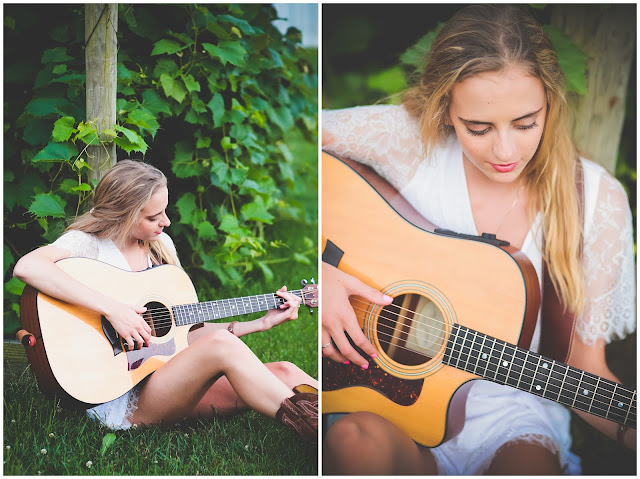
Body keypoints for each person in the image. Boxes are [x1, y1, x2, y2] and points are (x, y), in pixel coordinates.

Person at [321, 4, 635, 475]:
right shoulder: (408, 142)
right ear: (445, 107)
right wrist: (318, 275)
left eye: (526, 123)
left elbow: (584, 366)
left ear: (551, 101)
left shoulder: (596, 202)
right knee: (352, 440)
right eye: (479, 128)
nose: (505, 151)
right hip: (387, 403)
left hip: (513, 411)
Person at [13, 160, 318, 443]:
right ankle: (314, 428)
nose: (167, 222)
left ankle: (342, 417)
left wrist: (261, 323)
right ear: (123, 213)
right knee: (223, 347)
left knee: (286, 371)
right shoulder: (88, 244)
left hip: (169, 381)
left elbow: (185, 335)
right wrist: (113, 308)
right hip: (120, 397)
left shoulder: (160, 246)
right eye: (153, 216)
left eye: (165, 211)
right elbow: (27, 267)